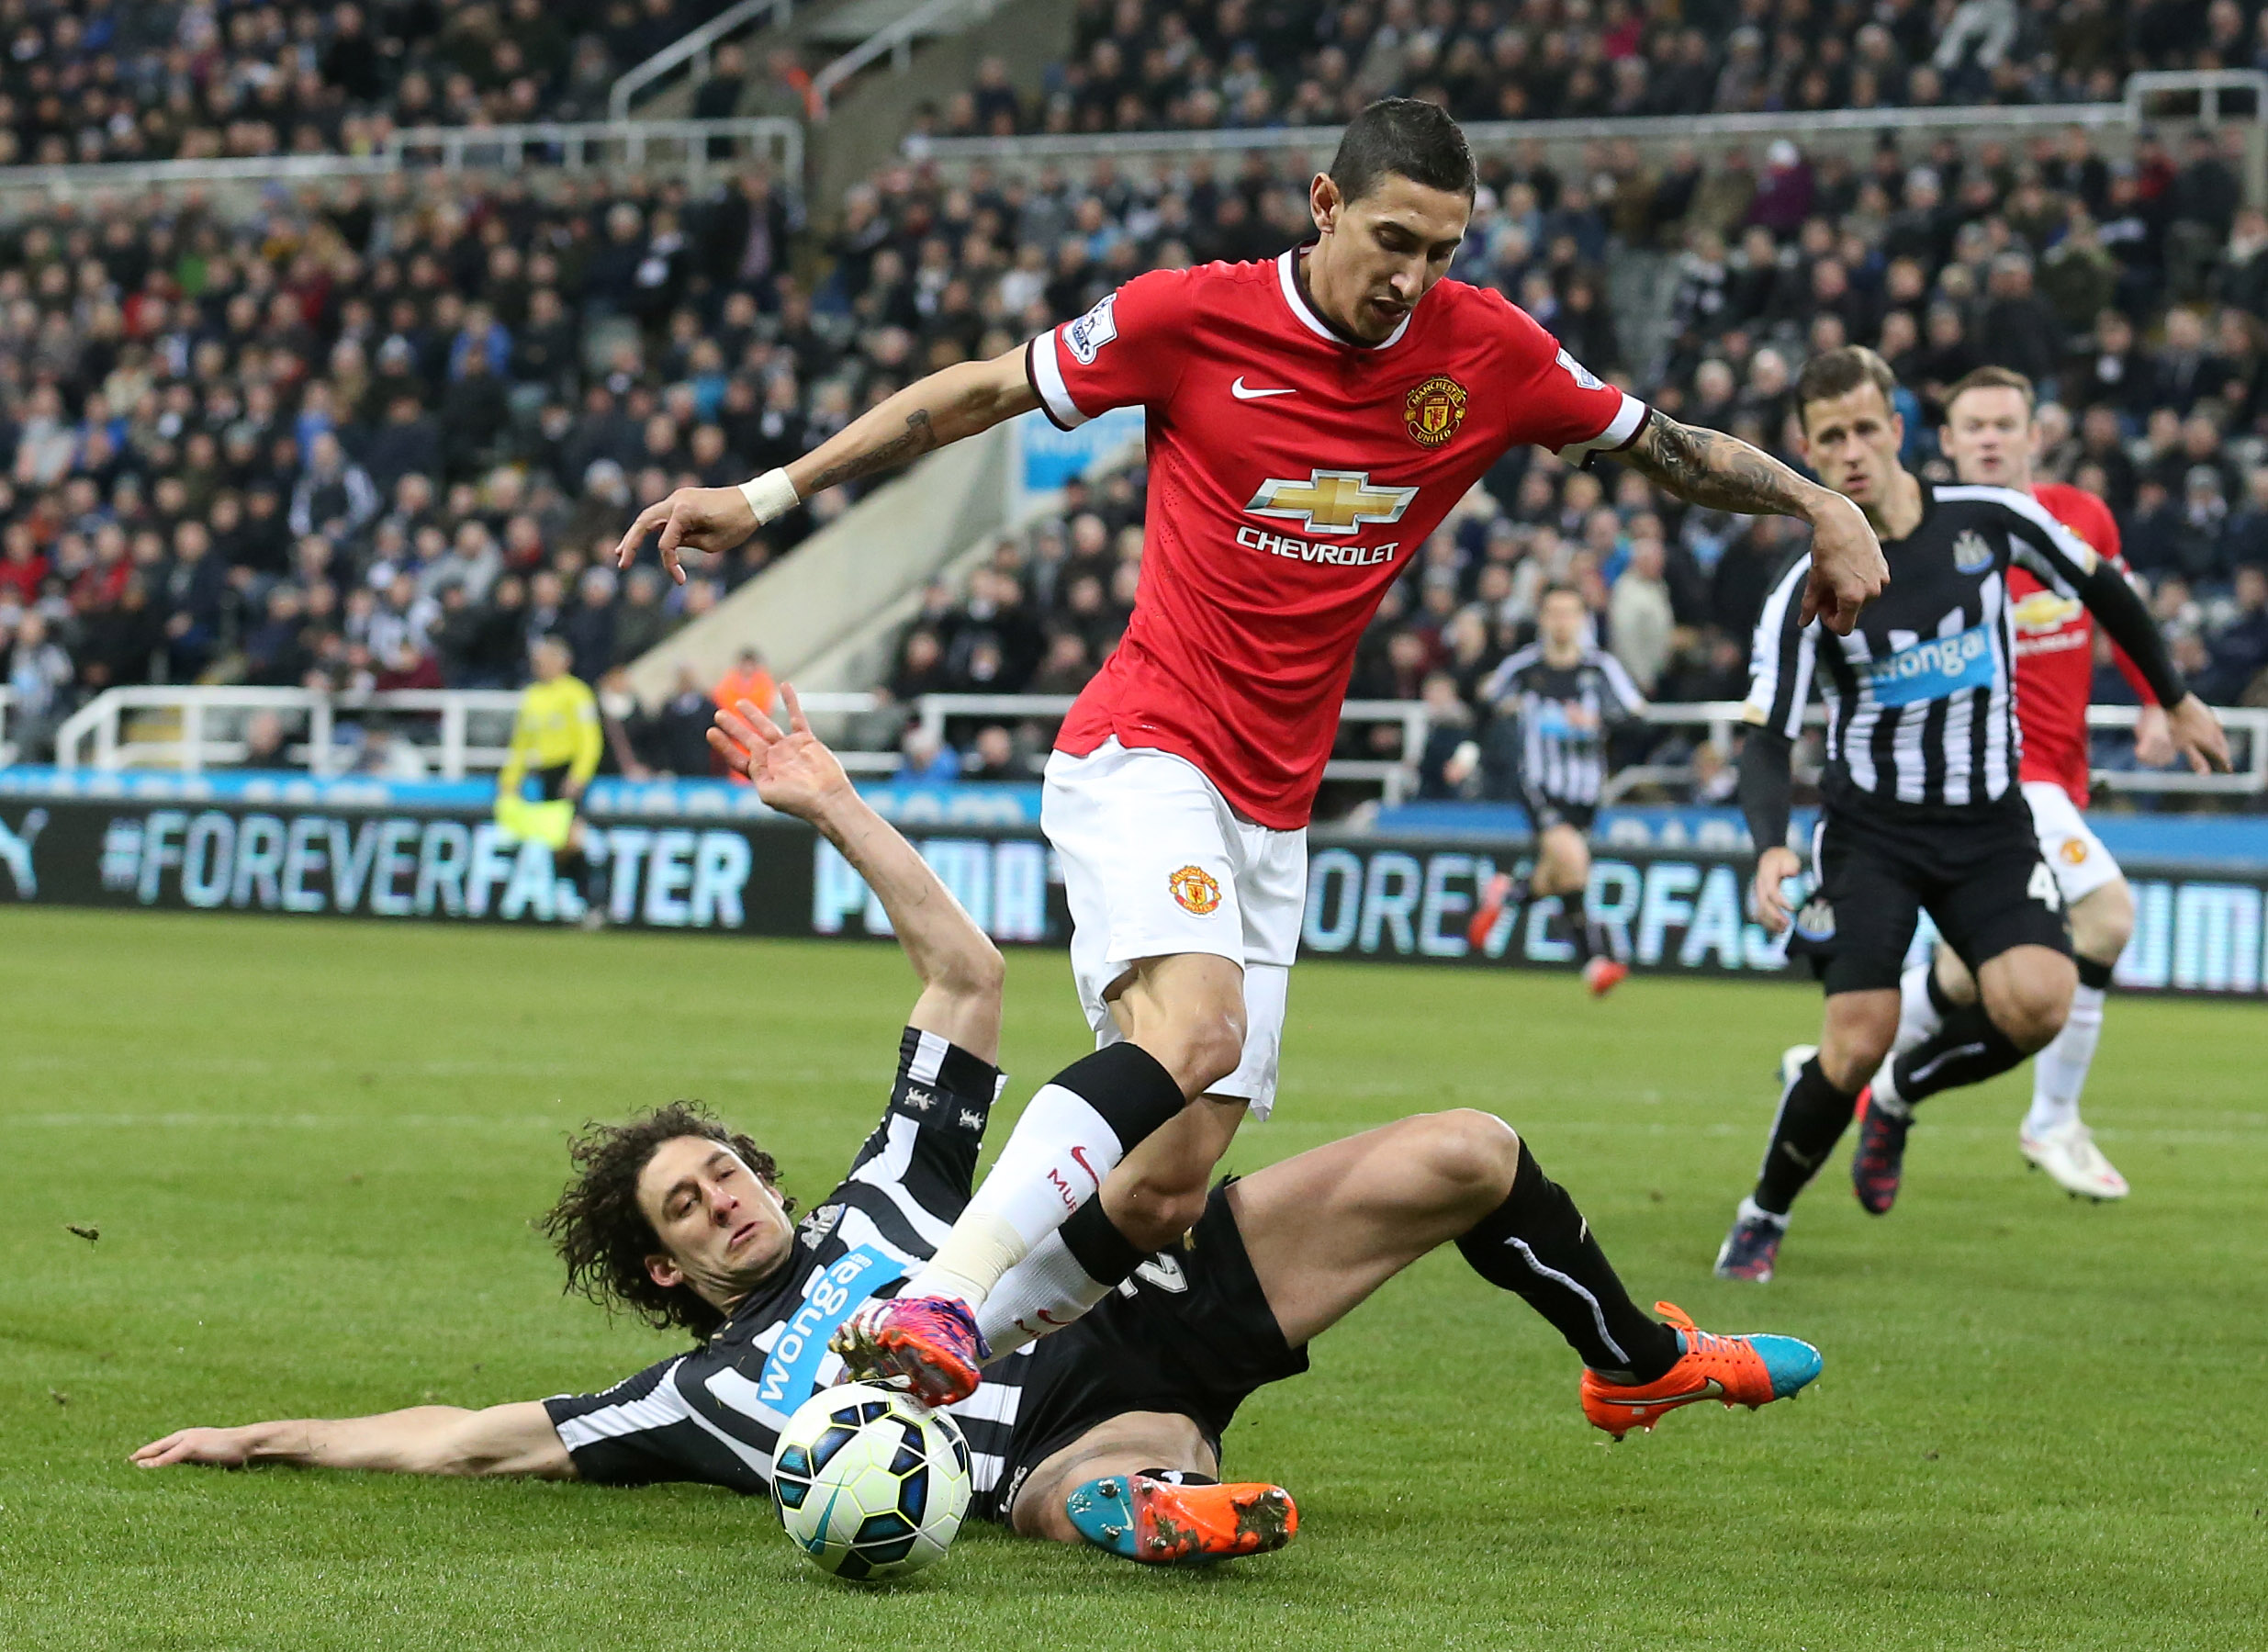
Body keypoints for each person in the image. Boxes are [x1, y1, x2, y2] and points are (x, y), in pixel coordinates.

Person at [616, 97, 1890, 1404]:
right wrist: (762, 496)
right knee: (1200, 1027)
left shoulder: (1485, 352)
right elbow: (979, 393)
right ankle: (941, 1291)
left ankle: (889, 1389)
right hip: (1142, 745)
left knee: (1164, 1189)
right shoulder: (1190, 317)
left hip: (1271, 807)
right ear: (1325, 205)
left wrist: (1818, 500)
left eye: (1442, 250)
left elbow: (1662, 445)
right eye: (1393, 237)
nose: (1412, 275)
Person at [133, 694, 1825, 1565]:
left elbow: (961, 968)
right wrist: (269, 1435)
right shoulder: (693, 1397)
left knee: (1466, 1145)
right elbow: (467, 1436)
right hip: (1041, 1438)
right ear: (663, 1265)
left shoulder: (897, 1184)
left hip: (1151, 1280)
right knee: (1108, 1476)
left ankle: (1627, 1348)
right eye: (689, 1200)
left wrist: (833, 802)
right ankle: (1148, 1503)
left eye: (722, 1164)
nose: (724, 1192)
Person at [1714, 347, 2229, 1284]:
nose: (1853, 450)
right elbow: (1764, 734)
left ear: (1899, 428)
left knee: (2039, 1001)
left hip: (1989, 826)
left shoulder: (1986, 522)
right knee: (1855, 1035)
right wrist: (1768, 848)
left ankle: (1904, 1094)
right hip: (1870, 835)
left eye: (1867, 427)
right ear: (1806, 451)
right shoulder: (1803, 587)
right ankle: (1764, 1210)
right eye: (1831, 438)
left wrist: (2177, 696)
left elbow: (2101, 582)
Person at [1884, 366, 2183, 1202]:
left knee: (1963, 975)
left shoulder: (2080, 517)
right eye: (1972, 424)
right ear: (1944, 441)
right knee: (2108, 917)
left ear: (2032, 434)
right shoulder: (1926, 535)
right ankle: (2052, 1118)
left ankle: (1845, 1062)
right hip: (1999, 779)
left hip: (2061, 775)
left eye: (2004, 423)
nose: (1988, 437)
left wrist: (2159, 699)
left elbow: (2116, 603)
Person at [1465, 583, 1647, 995]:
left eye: (1570, 613)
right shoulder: (1525, 667)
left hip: (1586, 793)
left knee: (1560, 874)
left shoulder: (1600, 668)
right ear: (1542, 619)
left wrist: (1598, 724)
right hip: (1540, 785)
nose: (1562, 622)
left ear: (1583, 619)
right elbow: (1483, 701)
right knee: (1573, 858)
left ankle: (1507, 893)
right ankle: (1596, 962)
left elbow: (1638, 718)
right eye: (1554, 613)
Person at [496, 635, 607, 926]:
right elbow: (521, 742)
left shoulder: (576, 693)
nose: (539, 665)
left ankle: (595, 900)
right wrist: (510, 778)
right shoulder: (532, 696)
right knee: (555, 842)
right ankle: (573, 902)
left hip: (568, 771)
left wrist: (579, 775)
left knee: (570, 840)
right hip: (545, 772)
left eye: (545, 660)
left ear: (562, 662)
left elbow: (590, 740)